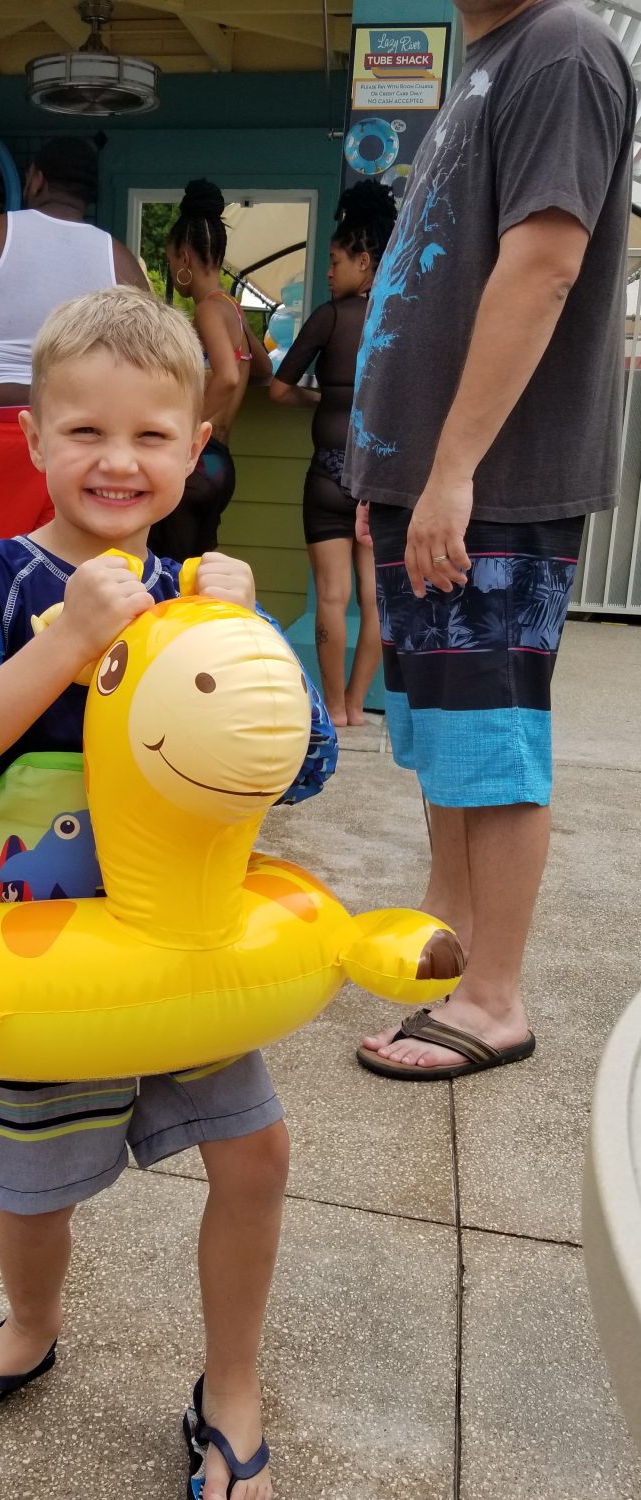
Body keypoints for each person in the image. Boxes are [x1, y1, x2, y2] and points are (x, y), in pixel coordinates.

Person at [0, 287, 338, 1500]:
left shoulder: (205, 593)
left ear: (195, 449)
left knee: (256, 1157)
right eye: (85, 431)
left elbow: (296, 764)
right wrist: (59, 641)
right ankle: (31, 1326)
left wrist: (244, 639)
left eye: (151, 435)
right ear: (35, 438)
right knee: (33, 1190)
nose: (117, 459)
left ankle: (232, 1385)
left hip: (191, 950)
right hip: (47, 973)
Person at [343, 0, 634, 1079]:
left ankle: (494, 998)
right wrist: (395, 475)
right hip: (435, 482)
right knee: (441, 739)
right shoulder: (489, 59)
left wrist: (455, 468)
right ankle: (448, 945)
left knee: (493, 739)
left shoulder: (561, 48)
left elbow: (545, 261)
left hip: (492, 485)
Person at [0, 136, 149, 555]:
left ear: (37, 181)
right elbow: (147, 360)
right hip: (81, 440)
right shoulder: (118, 257)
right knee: (68, 579)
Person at [269, 182, 397, 726]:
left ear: (363, 260)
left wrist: (323, 397)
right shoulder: (396, 318)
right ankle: (358, 702)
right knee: (374, 600)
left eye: (335, 259)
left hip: (327, 476)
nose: (328, 271)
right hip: (379, 478)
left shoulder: (330, 316)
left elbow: (277, 388)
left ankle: (333, 706)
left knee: (330, 598)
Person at [151, 179, 272, 562]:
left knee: (170, 575)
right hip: (222, 465)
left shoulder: (206, 310)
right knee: (197, 574)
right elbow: (262, 367)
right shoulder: (231, 307)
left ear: (184, 257)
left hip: (198, 464)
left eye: (171, 261)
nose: (171, 271)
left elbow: (229, 377)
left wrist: (180, 429)